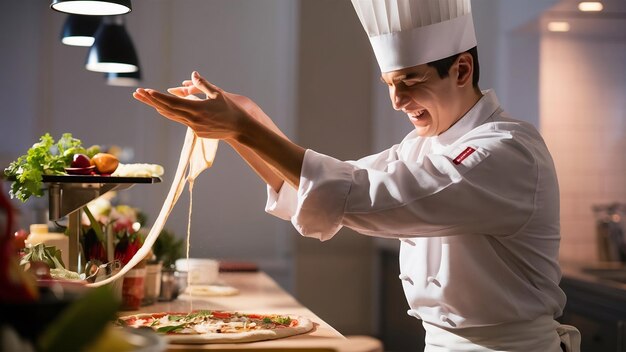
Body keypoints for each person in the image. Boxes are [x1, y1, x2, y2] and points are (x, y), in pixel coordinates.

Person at [133, 0, 581, 350]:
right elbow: (319, 189)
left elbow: (366, 197)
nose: (397, 100)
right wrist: (244, 128)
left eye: (410, 79)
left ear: (461, 69)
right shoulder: (420, 146)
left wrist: (245, 127)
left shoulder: (506, 150)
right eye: (390, 84)